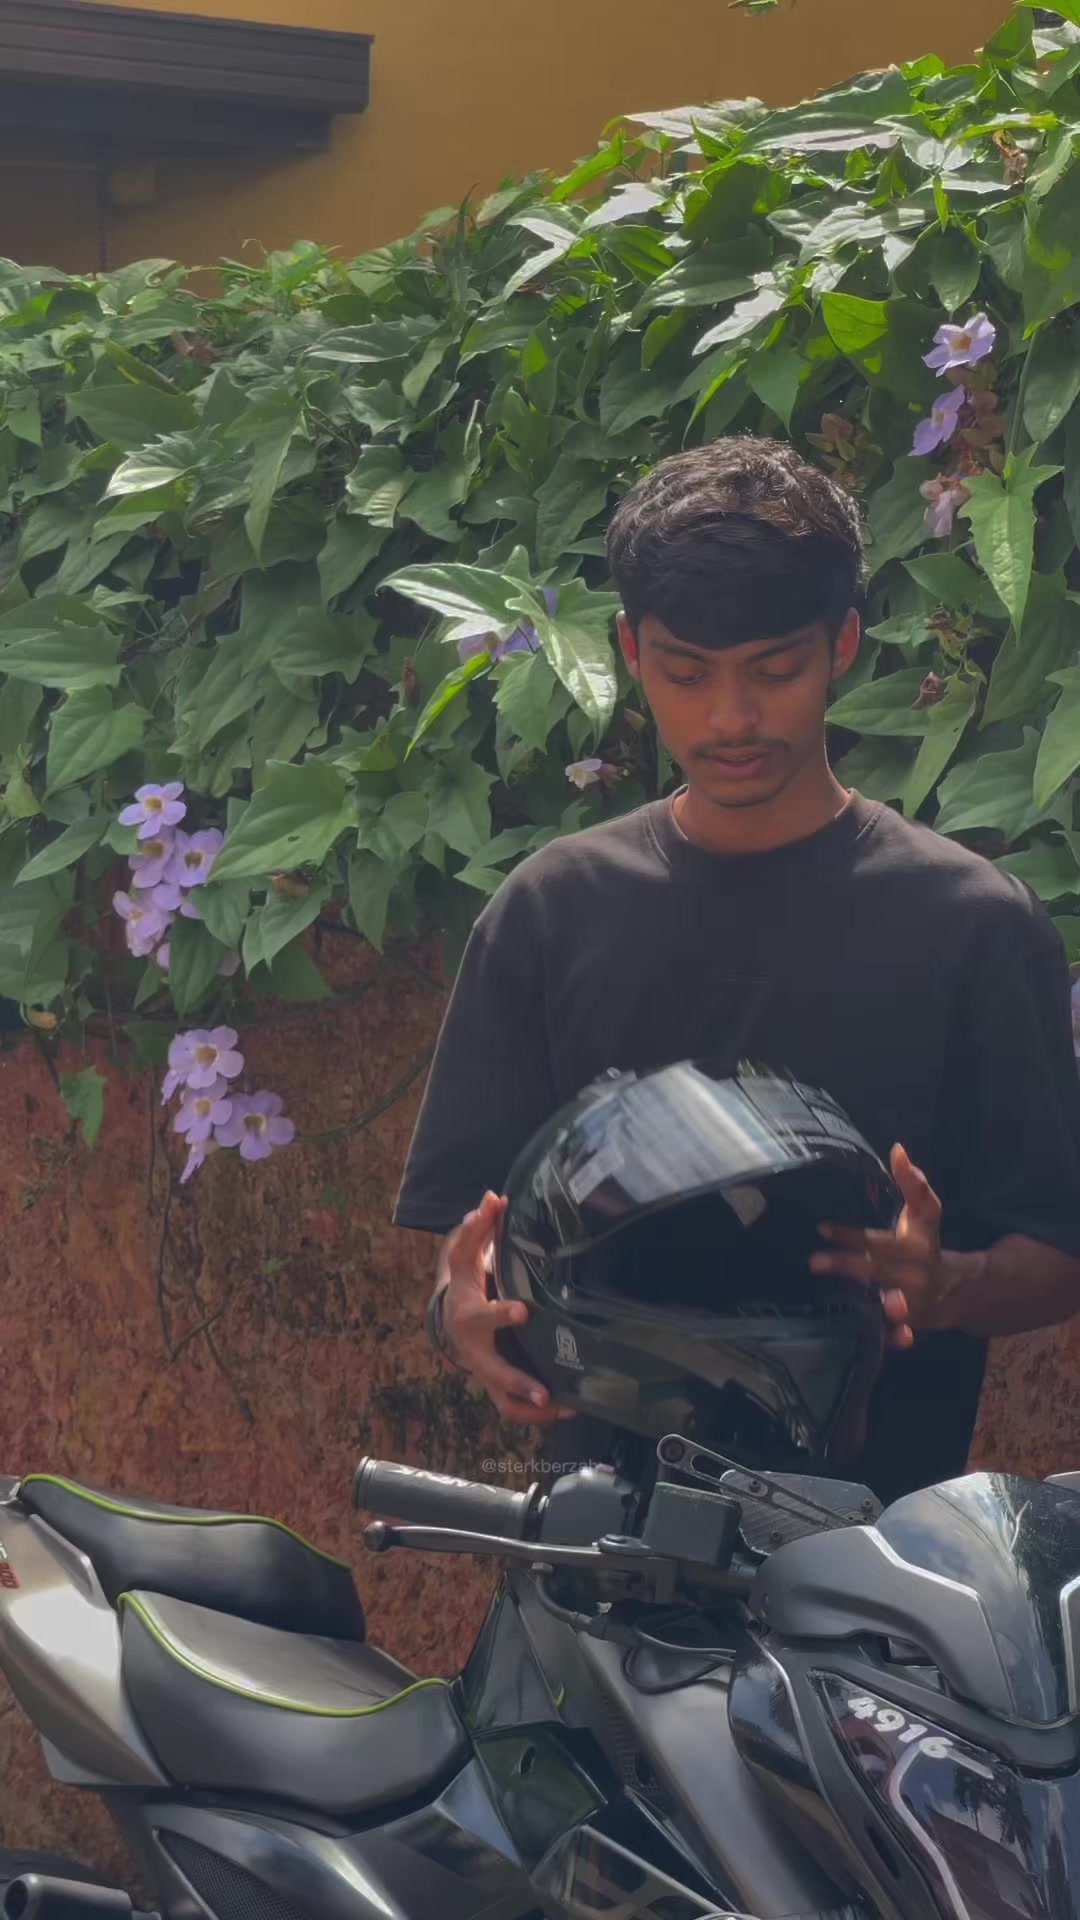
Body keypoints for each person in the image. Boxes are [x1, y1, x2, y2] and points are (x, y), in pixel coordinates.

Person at [393, 435, 1080, 1507]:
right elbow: (466, 1226)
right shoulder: (549, 911)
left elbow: (1059, 1251)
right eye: (686, 673)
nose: (731, 719)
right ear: (630, 651)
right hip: (588, 1553)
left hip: (878, 1562)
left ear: (842, 643)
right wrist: (462, 1308)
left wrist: (949, 1285)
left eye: (774, 669)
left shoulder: (976, 928)